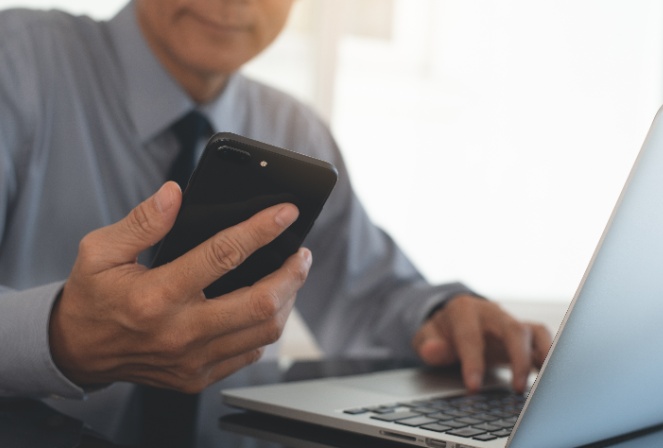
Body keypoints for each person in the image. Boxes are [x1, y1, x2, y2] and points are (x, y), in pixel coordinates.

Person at [0, 0, 551, 408]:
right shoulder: (16, 62)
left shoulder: (297, 133)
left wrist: (442, 318)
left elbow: (368, 296)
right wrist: (59, 336)